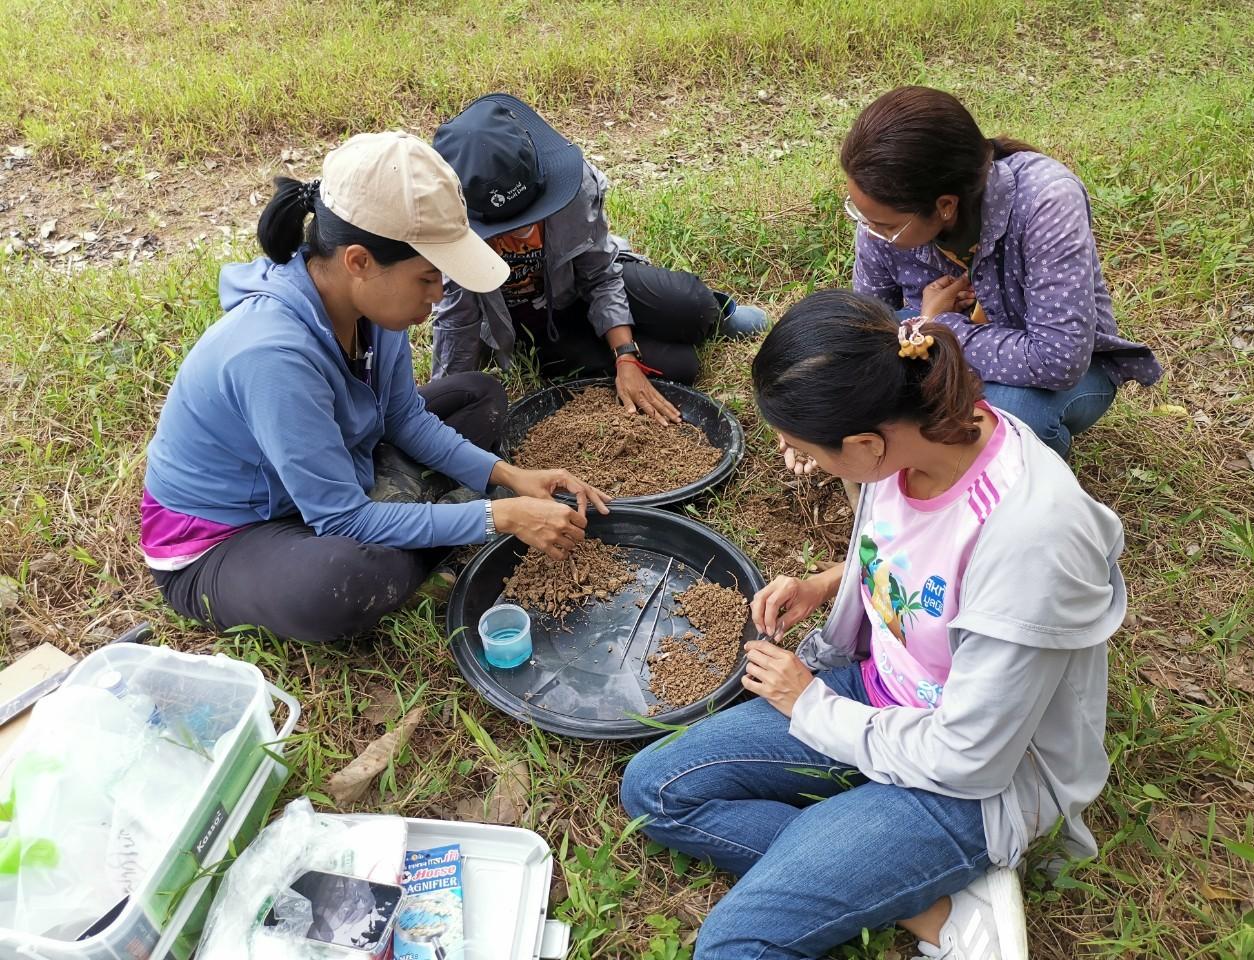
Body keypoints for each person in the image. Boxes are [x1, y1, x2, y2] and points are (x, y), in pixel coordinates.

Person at [623, 290, 1127, 960]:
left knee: (735, 946)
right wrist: (823, 585)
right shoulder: (919, 438)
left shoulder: (1031, 540)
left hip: (970, 782)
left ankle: (887, 855)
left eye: (801, 444)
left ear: (863, 444)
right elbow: (922, 559)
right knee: (654, 789)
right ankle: (914, 891)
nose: (788, 451)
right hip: (878, 692)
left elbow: (969, 759)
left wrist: (808, 703)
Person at [141, 131, 609, 645]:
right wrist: (498, 515)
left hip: (328, 471)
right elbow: (340, 517)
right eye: (427, 279)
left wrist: (512, 476)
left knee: (479, 397)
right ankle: (430, 522)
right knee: (341, 582)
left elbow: (403, 417)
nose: (437, 298)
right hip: (230, 535)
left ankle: (425, 517)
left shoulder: (372, 310)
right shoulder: (272, 355)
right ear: (359, 262)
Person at [838, 85, 1162, 459]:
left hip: (1062, 367)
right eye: (864, 217)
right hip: (941, 340)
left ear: (945, 206)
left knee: (1006, 421)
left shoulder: (1046, 202)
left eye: (883, 224)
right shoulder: (884, 214)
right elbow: (868, 324)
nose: (871, 230)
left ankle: (1030, 487)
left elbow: (1058, 360)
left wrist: (937, 327)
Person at [430, 93, 768, 424]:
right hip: (537, 325)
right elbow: (457, 321)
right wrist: (444, 406)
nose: (522, 234)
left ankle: (718, 316)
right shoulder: (452, 230)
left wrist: (626, 356)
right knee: (682, 366)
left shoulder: (572, 186)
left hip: (579, 286)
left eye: (531, 217)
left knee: (692, 306)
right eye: (508, 227)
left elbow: (600, 276)